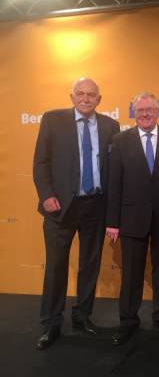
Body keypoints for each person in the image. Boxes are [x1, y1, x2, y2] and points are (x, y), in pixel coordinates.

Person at [33, 77, 120, 350]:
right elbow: (40, 162)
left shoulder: (110, 126)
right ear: (71, 97)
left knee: (89, 266)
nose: (86, 98)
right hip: (60, 207)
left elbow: (114, 169)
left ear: (99, 99)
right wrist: (46, 195)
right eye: (80, 94)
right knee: (56, 266)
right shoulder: (52, 120)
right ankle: (51, 323)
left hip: (95, 206)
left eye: (91, 95)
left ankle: (82, 317)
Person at [106, 92, 159, 345]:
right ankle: (128, 321)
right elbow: (114, 183)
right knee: (131, 274)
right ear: (134, 113)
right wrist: (113, 222)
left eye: (150, 109)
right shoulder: (120, 140)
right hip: (131, 218)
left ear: (158, 112)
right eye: (140, 110)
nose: (145, 114)